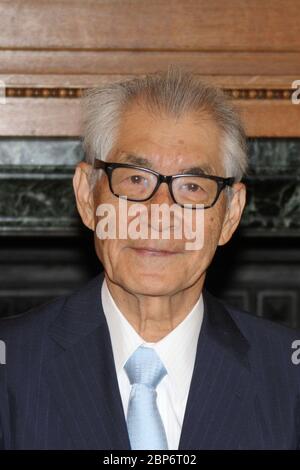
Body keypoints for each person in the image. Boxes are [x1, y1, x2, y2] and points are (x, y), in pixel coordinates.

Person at [1, 68, 299, 450]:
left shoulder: (288, 378)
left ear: (230, 214)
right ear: (87, 197)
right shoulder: (11, 367)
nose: (161, 214)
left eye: (191, 187)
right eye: (135, 179)